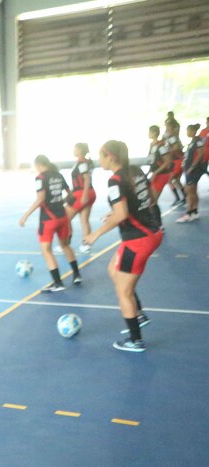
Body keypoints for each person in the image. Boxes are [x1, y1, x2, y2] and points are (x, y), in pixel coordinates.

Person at [83, 140, 163, 352]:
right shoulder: (135, 171)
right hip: (151, 231)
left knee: (122, 290)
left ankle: (135, 340)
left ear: (111, 157)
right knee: (113, 271)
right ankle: (139, 314)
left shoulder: (115, 181)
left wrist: (95, 234)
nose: (99, 160)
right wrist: (124, 212)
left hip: (138, 240)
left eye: (101, 156)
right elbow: (148, 198)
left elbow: (122, 214)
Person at [18, 155, 81, 292]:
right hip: (63, 216)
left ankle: (58, 283)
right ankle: (76, 275)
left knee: (46, 250)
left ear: (39, 165)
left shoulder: (40, 178)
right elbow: (70, 195)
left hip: (48, 219)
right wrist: (60, 203)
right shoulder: (58, 175)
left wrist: (26, 215)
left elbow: (40, 199)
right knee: (65, 246)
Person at [68, 143, 96, 252]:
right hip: (86, 192)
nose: (73, 150)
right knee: (84, 220)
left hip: (82, 193)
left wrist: (84, 195)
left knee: (65, 218)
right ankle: (86, 244)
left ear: (79, 150)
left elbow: (87, 179)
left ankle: (65, 244)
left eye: (75, 148)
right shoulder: (82, 163)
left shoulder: (82, 163)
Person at [178, 123, 206, 223]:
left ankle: (189, 213)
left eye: (188, 131)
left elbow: (200, 154)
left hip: (193, 170)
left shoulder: (198, 142)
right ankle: (194, 212)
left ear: (193, 131)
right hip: (189, 170)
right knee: (193, 192)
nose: (187, 132)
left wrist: (192, 167)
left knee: (189, 192)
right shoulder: (193, 141)